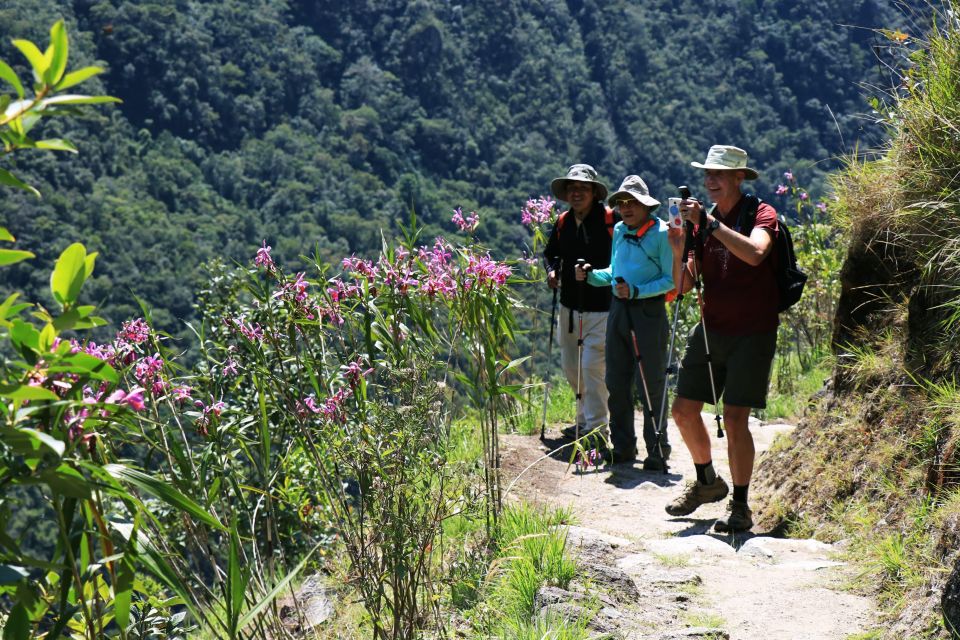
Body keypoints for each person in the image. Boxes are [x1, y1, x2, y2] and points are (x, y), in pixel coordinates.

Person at [665, 145, 779, 532]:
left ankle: (742, 506)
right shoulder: (703, 223)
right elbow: (683, 285)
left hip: (753, 330)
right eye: (707, 174)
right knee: (682, 410)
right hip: (711, 327)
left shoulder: (761, 214)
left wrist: (710, 226)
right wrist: (680, 248)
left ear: (738, 178)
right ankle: (707, 482)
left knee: (734, 418)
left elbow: (756, 253)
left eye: (718, 175)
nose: (710, 181)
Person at [575, 175, 673, 467]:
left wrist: (637, 291)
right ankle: (624, 448)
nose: (626, 208)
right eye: (621, 203)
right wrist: (592, 275)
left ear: (646, 205)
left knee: (650, 383)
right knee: (616, 381)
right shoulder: (619, 230)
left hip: (648, 313)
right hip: (618, 310)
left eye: (633, 203)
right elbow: (615, 271)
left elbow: (670, 280)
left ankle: (657, 451)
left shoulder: (662, 234)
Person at [544, 164, 616, 445]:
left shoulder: (611, 221)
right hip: (569, 306)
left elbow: (619, 258)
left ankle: (598, 431)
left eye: (583, 188)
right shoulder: (563, 222)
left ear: (594, 193)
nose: (576, 193)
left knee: (592, 369)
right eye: (572, 188)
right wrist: (551, 271)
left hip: (601, 308)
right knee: (572, 367)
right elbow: (550, 254)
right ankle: (584, 419)